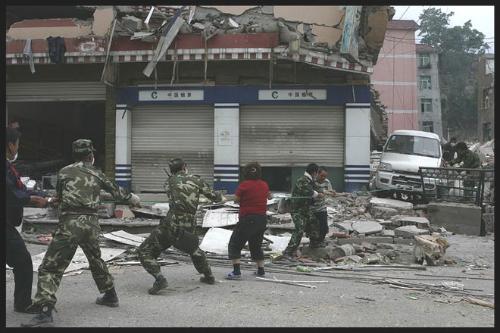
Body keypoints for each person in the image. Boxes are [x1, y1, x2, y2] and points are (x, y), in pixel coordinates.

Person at [23, 139, 141, 327]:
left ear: (74, 154)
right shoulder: (97, 173)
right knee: (95, 259)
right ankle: (110, 295)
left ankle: (45, 311)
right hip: (91, 224)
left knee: (51, 266)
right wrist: (133, 198)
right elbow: (117, 192)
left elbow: (60, 197)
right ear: (90, 155)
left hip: (70, 223)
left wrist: (54, 200)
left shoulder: (64, 172)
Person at [137, 158, 223, 295]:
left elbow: (175, 191)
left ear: (171, 170)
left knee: (144, 251)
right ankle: (208, 275)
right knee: (193, 249)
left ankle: (159, 279)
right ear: (184, 167)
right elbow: (215, 197)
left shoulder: (168, 182)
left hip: (171, 224)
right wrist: (220, 196)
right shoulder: (197, 180)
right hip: (189, 224)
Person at [6, 128, 54, 314]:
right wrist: (34, 200)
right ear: (10, 145)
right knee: (23, 261)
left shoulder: (8, 167)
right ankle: (23, 303)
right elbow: (12, 194)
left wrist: (45, 196)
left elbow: (20, 189)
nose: (18, 148)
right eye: (17, 144)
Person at [226, 162, 271, 280]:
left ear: (245, 173)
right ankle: (261, 270)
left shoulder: (244, 185)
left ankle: (236, 272)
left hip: (248, 218)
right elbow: (269, 196)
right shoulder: (264, 185)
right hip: (262, 219)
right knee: (256, 245)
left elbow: (236, 200)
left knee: (235, 244)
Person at [282, 163, 324, 259]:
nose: (317, 175)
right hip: (297, 210)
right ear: (314, 172)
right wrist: (318, 195)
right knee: (299, 229)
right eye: (317, 173)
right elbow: (309, 191)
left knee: (314, 222)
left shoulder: (310, 180)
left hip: (305, 209)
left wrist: (326, 192)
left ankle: (314, 243)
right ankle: (288, 251)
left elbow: (316, 188)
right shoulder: (302, 180)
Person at [309, 166, 335, 248]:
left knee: (324, 226)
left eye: (325, 176)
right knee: (312, 227)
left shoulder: (327, 182)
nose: (323, 178)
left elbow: (330, 191)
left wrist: (332, 192)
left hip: (321, 207)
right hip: (311, 208)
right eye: (322, 176)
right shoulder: (312, 182)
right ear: (317, 174)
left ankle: (321, 241)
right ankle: (313, 242)